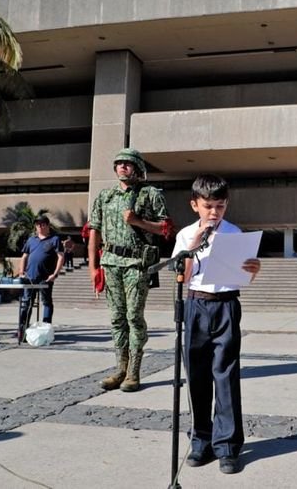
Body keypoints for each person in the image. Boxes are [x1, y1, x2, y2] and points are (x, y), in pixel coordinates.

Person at [171, 174, 261, 475]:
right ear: (195, 204)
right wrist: (195, 244)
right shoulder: (185, 235)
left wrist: (253, 268)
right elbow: (180, 274)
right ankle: (201, 440)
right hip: (196, 305)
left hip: (225, 305)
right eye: (208, 206)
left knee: (225, 374)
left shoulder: (234, 232)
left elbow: (244, 273)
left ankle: (228, 446)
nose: (214, 213)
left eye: (220, 206)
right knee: (196, 375)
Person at [89, 148, 173, 393]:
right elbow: (93, 230)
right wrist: (93, 267)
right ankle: (120, 368)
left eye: (128, 163)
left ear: (137, 167)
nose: (123, 167)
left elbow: (166, 229)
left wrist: (139, 222)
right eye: (119, 163)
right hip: (111, 262)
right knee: (117, 318)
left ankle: (134, 371)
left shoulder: (150, 194)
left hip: (137, 264)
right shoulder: (105, 196)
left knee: (134, 318)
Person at [18, 215, 65, 328]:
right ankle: (22, 329)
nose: (40, 227)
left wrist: (55, 274)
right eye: (38, 224)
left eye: (43, 224)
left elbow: (61, 257)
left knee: (46, 302)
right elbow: (24, 257)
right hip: (30, 277)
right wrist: (21, 271)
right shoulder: (31, 240)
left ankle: (45, 327)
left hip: (45, 278)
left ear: (48, 226)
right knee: (26, 303)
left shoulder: (55, 239)